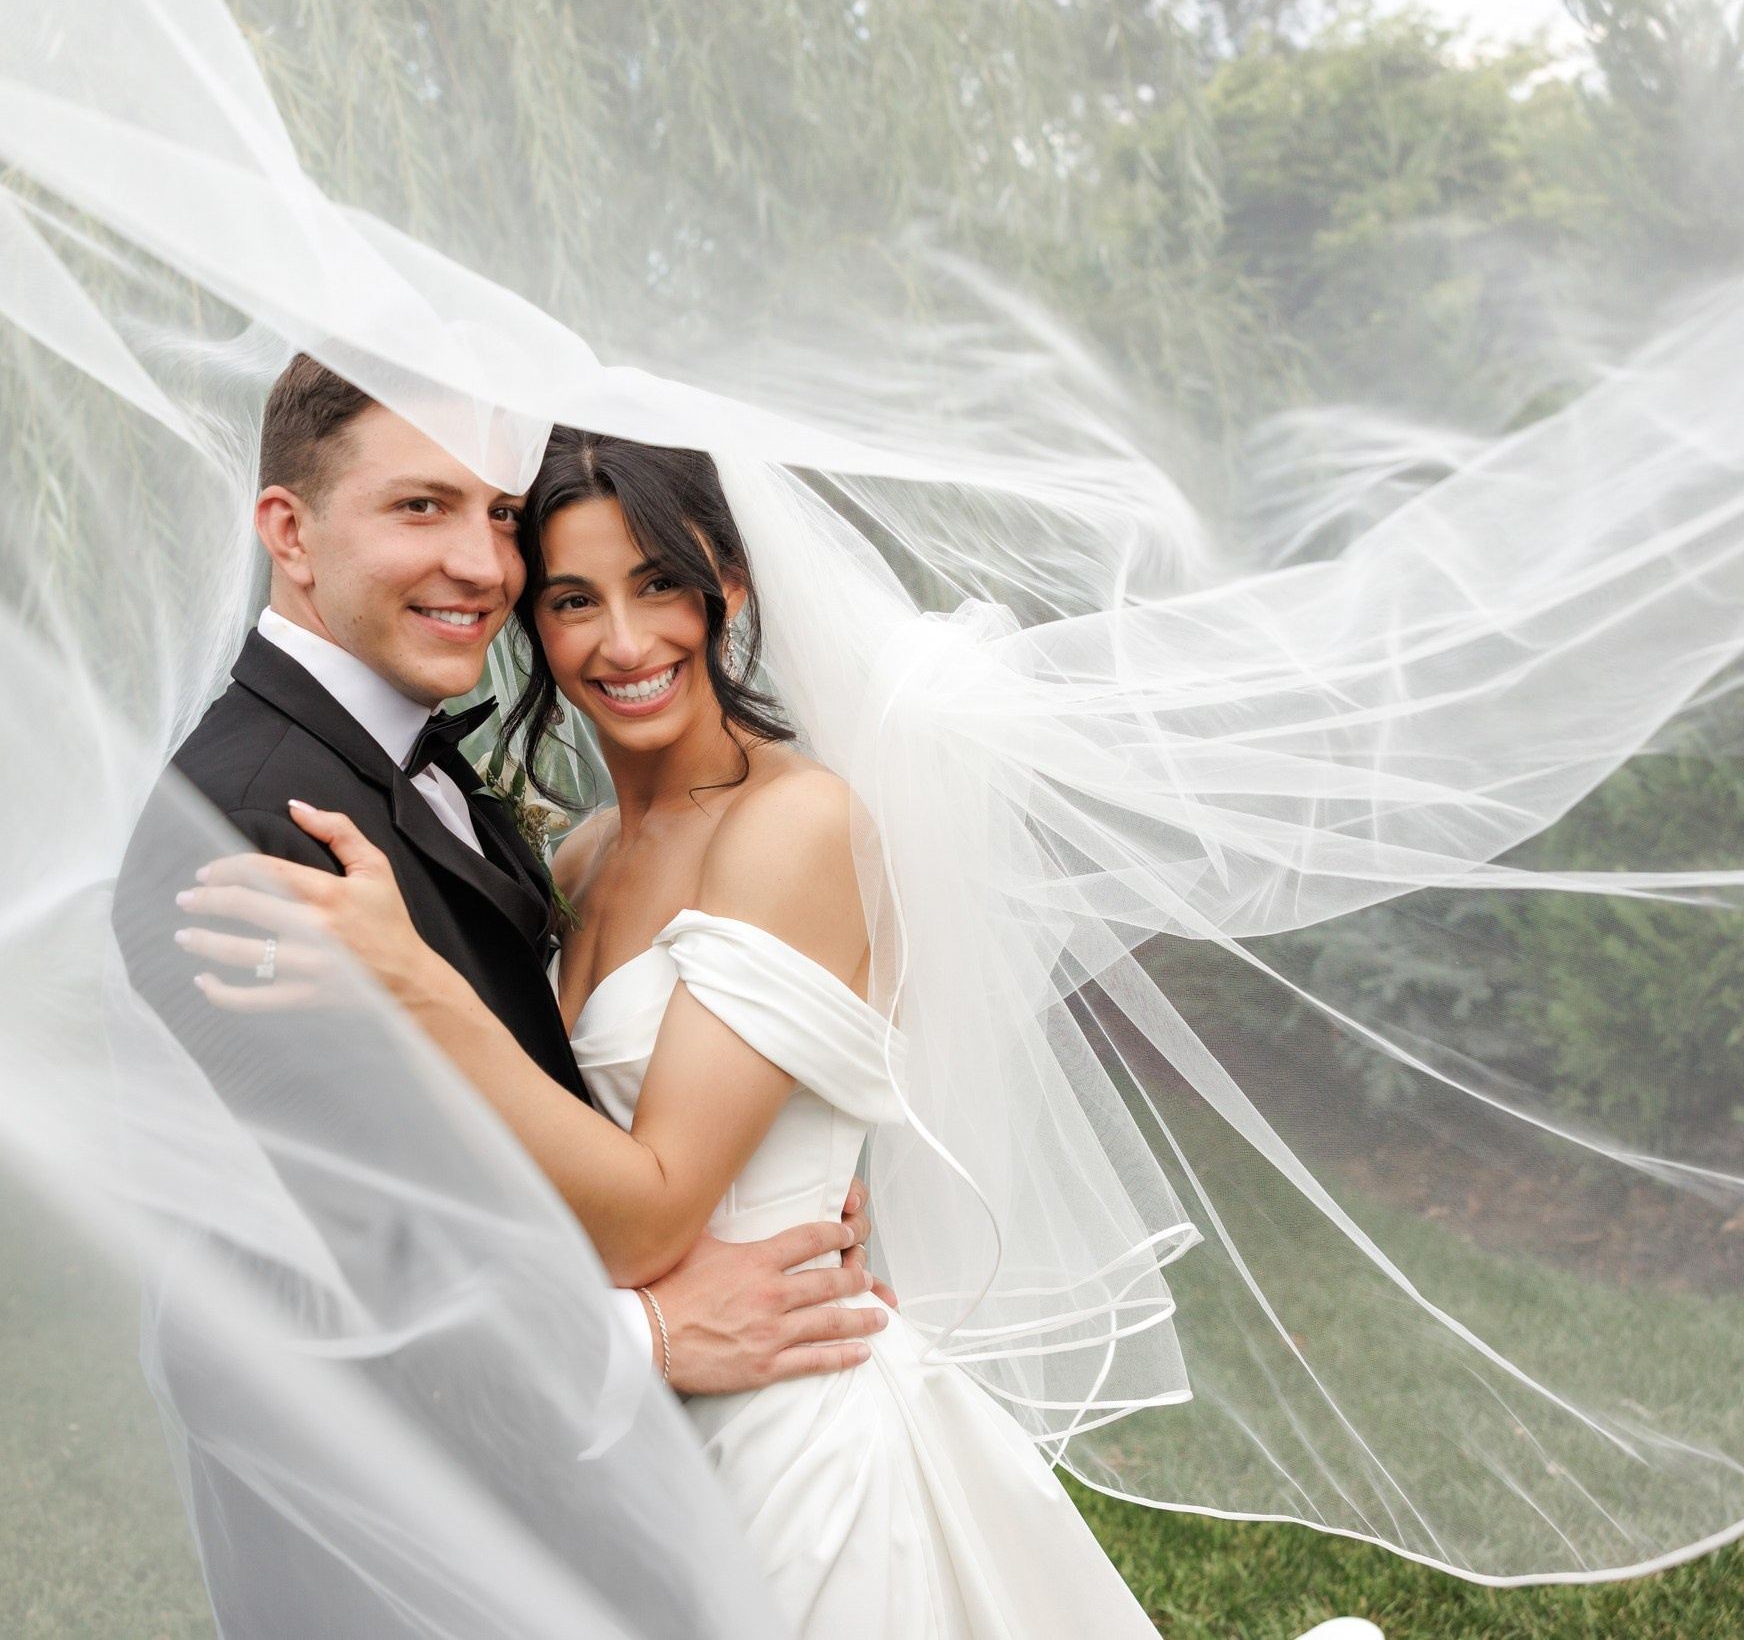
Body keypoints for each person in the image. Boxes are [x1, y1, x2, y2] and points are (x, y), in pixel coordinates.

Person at [180, 426, 1388, 1639]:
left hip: (792, 1430)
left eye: (660, 583)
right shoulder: (583, 855)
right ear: (531, 623)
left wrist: (414, 984)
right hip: (642, 1427)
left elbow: (654, 1208)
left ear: (730, 585)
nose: (624, 641)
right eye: (572, 599)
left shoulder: (793, 825)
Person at [112, 360, 898, 1632]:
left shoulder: (418, 777)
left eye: (493, 514)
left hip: (691, 1467)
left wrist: (786, 1195)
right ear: (287, 532)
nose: (483, 563)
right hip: (411, 1563)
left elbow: (524, 1126)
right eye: (421, 507)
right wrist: (649, 1332)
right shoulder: (258, 827)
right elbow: (289, 1290)